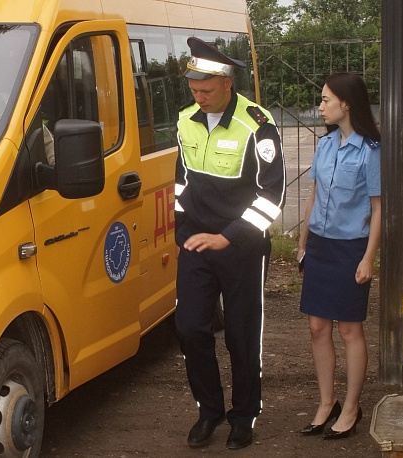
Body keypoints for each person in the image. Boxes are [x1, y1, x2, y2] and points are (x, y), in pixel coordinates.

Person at [174, 37, 286, 451]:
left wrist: (228, 237)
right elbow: (181, 181)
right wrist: (183, 231)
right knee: (189, 328)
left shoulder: (257, 124)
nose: (198, 97)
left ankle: (243, 415)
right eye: (194, 89)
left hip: (241, 246)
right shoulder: (186, 119)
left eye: (206, 90)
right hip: (197, 244)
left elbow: (272, 197)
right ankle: (209, 410)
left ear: (226, 83)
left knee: (241, 335)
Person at [297, 72, 381, 440]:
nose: (320, 107)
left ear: (346, 104)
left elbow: (379, 209)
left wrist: (368, 258)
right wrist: (302, 244)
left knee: (349, 329)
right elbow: (313, 197)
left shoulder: (370, 151)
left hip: (350, 249)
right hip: (319, 245)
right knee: (317, 328)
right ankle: (326, 402)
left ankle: (351, 407)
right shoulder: (326, 145)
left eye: (325, 99)